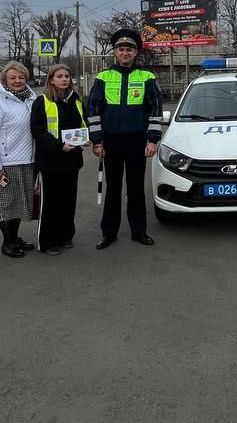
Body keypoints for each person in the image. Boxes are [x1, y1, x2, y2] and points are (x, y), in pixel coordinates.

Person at [88, 28, 164, 249]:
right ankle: (108, 233)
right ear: (115, 52)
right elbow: (93, 110)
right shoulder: (103, 77)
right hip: (111, 142)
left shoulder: (147, 77)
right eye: (121, 49)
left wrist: (152, 140)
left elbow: (156, 110)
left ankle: (139, 232)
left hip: (136, 142)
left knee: (135, 189)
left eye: (129, 49)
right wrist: (97, 141)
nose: (124, 53)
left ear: (136, 52)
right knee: (112, 189)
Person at [0, 61, 37, 259]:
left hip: (27, 159)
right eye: (13, 78)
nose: (18, 81)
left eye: (21, 77)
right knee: (6, 204)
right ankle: (8, 242)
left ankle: (15, 237)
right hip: (6, 162)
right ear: (4, 80)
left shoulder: (31, 99)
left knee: (20, 203)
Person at [31, 64, 88, 254]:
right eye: (59, 76)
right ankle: (48, 241)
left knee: (68, 201)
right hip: (50, 162)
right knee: (51, 204)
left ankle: (66, 236)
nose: (64, 79)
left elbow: (83, 124)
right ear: (51, 79)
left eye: (67, 76)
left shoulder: (76, 100)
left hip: (72, 161)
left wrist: (85, 139)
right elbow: (38, 131)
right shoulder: (42, 101)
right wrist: (59, 146)